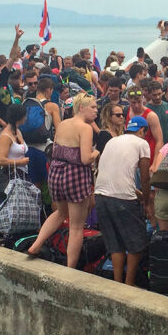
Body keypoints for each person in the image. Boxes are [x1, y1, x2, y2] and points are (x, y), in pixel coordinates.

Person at [28, 95, 99, 267]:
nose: (96, 110)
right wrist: (96, 153)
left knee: (60, 213)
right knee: (76, 226)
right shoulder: (85, 128)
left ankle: (36, 244)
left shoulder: (63, 124)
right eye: (93, 107)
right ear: (81, 107)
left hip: (56, 173)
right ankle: (70, 267)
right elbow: (84, 158)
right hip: (75, 175)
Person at [94, 115, 152, 285]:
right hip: (122, 199)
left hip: (101, 196)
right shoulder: (142, 143)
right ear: (142, 130)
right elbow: (145, 178)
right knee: (137, 244)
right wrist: (146, 202)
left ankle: (117, 282)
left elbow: (112, 173)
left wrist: (138, 194)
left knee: (116, 244)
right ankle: (129, 283)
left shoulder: (113, 141)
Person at [124, 86, 163, 163]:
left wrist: (156, 162)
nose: (137, 105)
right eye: (133, 102)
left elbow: (159, 141)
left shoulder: (151, 116)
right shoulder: (126, 111)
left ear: (143, 98)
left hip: (148, 156)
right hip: (133, 156)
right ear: (128, 100)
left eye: (139, 102)